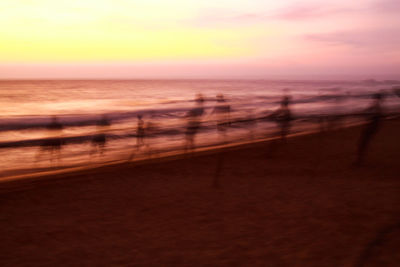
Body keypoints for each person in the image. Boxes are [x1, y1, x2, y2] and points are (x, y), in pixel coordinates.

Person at [355, 92, 384, 165]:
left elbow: (372, 116)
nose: (374, 100)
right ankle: (360, 160)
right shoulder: (377, 106)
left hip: (370, 128)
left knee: (362, 143)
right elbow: (368, 112)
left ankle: (359, 160)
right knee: (363, 143)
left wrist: (365, 116)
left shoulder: (377, 107)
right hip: (372, 127)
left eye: (376, 98)